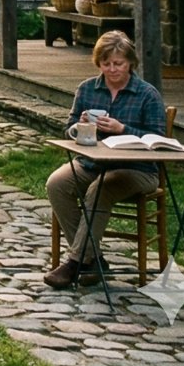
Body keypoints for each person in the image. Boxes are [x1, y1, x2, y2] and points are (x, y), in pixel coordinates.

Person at [43, 30, 168, 288]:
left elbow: (158, 141)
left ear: (130, 62)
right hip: (92, 163)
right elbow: (67, 130)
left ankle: (75, 262)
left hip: (137, 169)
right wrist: (79, 126)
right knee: (57, 183)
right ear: (98, 63)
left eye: (118, 63)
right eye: (106, 63)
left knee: (99, 189)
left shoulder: (147, 94)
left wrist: (123, 129)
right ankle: (94, 260)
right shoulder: (87, 89)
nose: (112, 69)